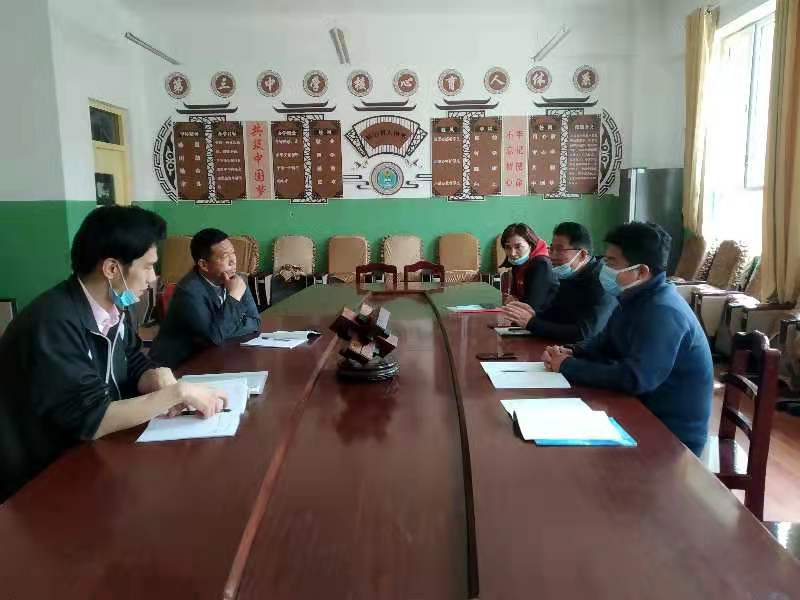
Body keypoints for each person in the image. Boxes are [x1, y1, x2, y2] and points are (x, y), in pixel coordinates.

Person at [0, 206, 227, 503]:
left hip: (92, 458)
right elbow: (92, 418)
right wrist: (177, 393)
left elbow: (133, 362)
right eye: (148, 267)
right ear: (111, 269)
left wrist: (154, 377)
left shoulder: (116, 308)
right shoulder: (52, 322)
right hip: (38, 482)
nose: (153, 278)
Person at [542, 222, 713, 455]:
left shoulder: (663, 311)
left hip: (670, 436)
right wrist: (572, 351)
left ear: (641, 271)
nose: (603, 268)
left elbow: (635, 377)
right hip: (637, 410)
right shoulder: (633, 297)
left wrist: (567, 366)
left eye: (612, 263)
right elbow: (605, 342)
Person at [150, 228, 261, 368]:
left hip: (211, 357)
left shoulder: (237, 280)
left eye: (233, 253)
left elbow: (255, 322)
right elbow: (214, 337)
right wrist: (234, 297)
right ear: (203, 265)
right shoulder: (189, 292)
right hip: (175, 367)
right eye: (225, 256)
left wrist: (222, 330)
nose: (233, 261)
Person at [501, 222, 617, 343]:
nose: (552, 256)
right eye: (551, 249)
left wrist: (531, 323)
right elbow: (556, 315)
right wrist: (532, 314)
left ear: (582, 254)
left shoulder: (603, 281)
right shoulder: (568, 274)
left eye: (560, 250)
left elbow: (584, 333)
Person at [498, 223, 558, 313]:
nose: (512, 253)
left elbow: (532, 306)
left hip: (544, 316)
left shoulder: (541, 264)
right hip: (524, 314)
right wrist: (513, 299)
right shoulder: (518, 262)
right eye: (508, 247)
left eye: (518, 247)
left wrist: (515, 302)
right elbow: (514, 295)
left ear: (530, 244)